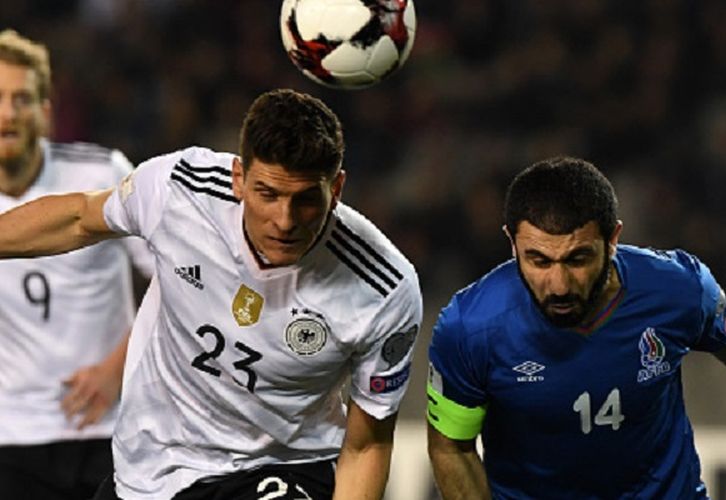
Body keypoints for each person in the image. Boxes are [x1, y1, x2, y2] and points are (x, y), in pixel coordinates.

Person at [0, 87, 423, 499]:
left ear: (337, 189)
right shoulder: (180, 192)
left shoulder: (383, 290)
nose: (285, 220)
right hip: (153, 468)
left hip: (284, 465)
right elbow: (79, 218)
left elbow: (367, 444)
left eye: (306, 199)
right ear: (238, 178)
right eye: (268, 194)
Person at [426, 156, 726, 499]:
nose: (559, 284)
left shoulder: (678, 290)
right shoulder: (470, 328)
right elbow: (451, 448)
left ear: (613, 239)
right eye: (538, 260)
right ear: (512, 241)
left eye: (578, 259)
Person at [0, 29, 153, 500]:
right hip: (11, 436)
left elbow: (180, 276)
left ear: (46, 112)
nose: (8, 113)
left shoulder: (100, 175)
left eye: (22, 99)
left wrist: (116, 367)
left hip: (114, 427)